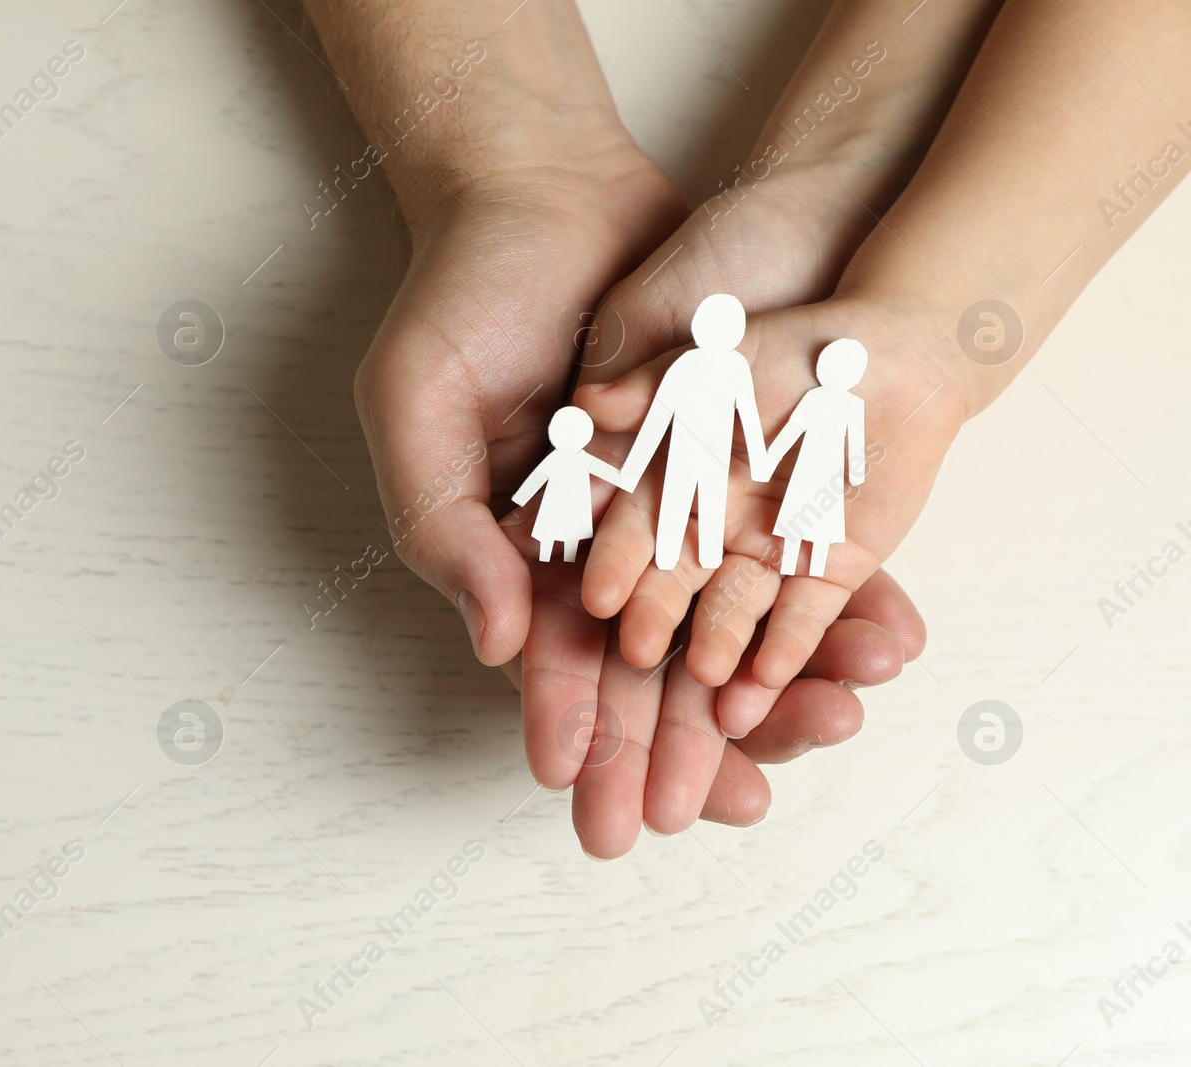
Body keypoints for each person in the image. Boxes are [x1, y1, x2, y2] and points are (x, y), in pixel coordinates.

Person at [302, 0, 1190, 857]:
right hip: (712, 472)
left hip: (765, 479)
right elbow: (664, 436)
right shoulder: (697, 372)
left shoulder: (778, 392)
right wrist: (519, 162)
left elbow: (807, 449)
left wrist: (926, 318)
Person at [615, 293, 768, 570]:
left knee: (708, 501)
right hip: (686, 445)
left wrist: (759, 460)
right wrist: (634, 465)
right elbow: (660, 413)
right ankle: (670, 554)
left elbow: (748, 414)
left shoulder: (734, 366)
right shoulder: (691, 364)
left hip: (713, 447)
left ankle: (703, 554)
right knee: (680, 497)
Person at [758, 338, 868, 578]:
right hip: (807, 464)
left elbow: (856, 439)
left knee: (823, 516)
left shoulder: (853, 404)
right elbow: (793, 427)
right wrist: (772, 457)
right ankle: (787, 564)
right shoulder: (814, 396)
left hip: (830, 467)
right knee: (797, 508)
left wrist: (857, 472)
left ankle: (816, 569)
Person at [511, 406, 621, 564]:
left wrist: (623, 480)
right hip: (558, 501)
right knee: (552, 533)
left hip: (573, 503)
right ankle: (546, 558)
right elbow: (537, 476)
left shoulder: (580, 458)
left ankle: (562, 558)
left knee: (570, 535)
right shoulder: (559, 458)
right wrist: (521, 498)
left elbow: (605, 471)